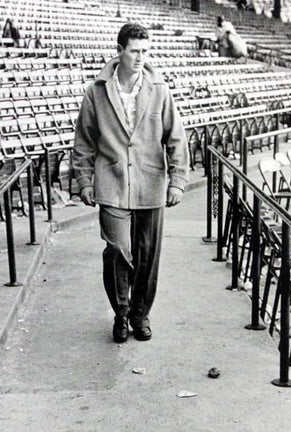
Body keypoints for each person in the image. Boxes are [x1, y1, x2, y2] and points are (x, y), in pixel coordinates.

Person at [73, 23, 189, 343]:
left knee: (148, 254)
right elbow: (84, 141)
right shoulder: (96, 92)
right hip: (111, 180)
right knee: (118, 250)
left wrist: (177, 181)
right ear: (120, 51)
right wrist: (83, 181)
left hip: (150, 181)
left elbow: (175, 138)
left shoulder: (160, 90)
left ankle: (140, 314)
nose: (141, 58)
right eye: (135, 51)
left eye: (145, 51)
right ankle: (121, 313)